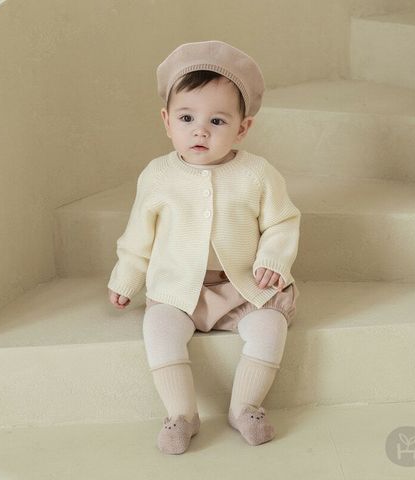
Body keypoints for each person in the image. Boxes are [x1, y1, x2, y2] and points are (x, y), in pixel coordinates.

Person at [107, 40, 301, 455]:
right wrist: (127, 278)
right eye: (187, 118)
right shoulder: (158, 175)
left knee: (270, 326)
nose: (200, 130)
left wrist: (273, 259)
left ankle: (245, 407)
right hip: (179, 289)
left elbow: (282, 221)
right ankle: (181, 413)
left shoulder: (257, 173)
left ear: (242, 128)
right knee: (159, 330)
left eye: (217, 120)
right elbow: (138, 235)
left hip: (241, 288)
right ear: (167, 121)